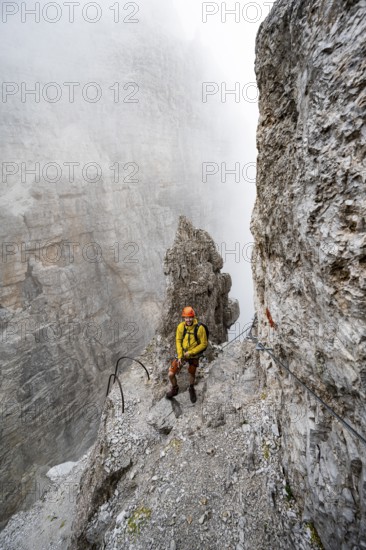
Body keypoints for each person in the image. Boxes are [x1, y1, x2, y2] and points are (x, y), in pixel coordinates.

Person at [166, 306, 208, 403]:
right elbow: (178, 340)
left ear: (193, 317)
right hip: (183, 354)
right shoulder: (181, 327)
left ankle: (191, 388)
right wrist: (180, 355)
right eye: (186, 317)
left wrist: (191, 352)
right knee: (171, 373)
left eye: (190, 317)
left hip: (193, 355)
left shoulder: (200, 328)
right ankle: (175, 388)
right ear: (184, 318)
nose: (188, 320)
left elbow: (204, 344)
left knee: (192, 372)